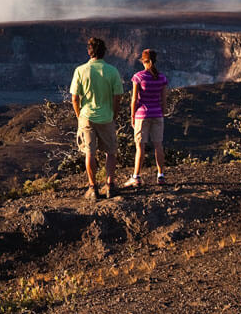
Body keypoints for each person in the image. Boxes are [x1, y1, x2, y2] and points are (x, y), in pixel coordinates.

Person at [70, 37, 124, 200]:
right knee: (111, 152)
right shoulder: (112, 71)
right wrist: (114, 113)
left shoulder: (80, 70)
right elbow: (117, 96)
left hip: (87, 117)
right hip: (106, 117)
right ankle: (110, 185)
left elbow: (74, 98)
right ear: (104, 52)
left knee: (89, 153)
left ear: (89, 51)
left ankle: (93, 188)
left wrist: (79, 115)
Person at [124, 48, 168, 187]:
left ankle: (136, 176)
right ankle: (161, 175)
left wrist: (132, 116)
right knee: (158, 145)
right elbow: (164, 100)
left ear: (143, 61)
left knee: (140, 147)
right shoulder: (162, 78)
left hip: (142, 115)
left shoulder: (138, 77)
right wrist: (163, 113)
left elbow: (134, 100)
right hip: (157, 114)